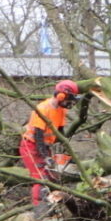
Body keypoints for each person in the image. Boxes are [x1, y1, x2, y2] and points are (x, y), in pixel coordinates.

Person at [20, 79, 80, 209]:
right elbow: (38, 135)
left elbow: (60, 132)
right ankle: (39, 210)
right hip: (31, 146)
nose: (70, 103)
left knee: (52, 176)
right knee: (40, 177)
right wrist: (45, 156)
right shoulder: (43, 109)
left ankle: (53, 207)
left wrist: (66, 152)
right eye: (69, 99)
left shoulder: (61, 110)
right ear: (61, 96)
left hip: (45, 146)